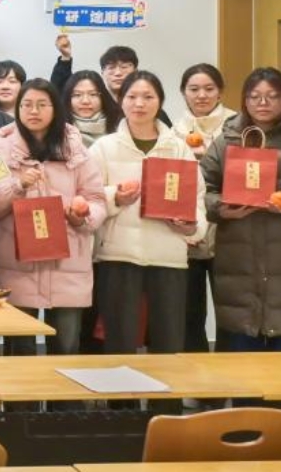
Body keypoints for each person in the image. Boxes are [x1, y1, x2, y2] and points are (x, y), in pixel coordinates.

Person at [88, 71, 205, 355]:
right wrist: (115, 196)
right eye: (132, 96)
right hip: (118, 256)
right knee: (119, 341)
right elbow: (89, 197)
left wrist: (190, 226)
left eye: (148, 97)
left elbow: (197, 200)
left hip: (168, 256)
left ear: (160, 101)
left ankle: (166, 388)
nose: (139, 103)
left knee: (168, 342)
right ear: (121, 100)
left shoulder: (178, 148)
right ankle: (120, 387)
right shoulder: (104, 147)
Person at [0, 80, 106, 356]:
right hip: (15, 266)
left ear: (56, 109)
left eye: (42, 105)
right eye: (27, 105)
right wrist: (18, 185)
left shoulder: (78, 151)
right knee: (20, 351)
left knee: (66, 349)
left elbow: (97, 200)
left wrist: (81, 215)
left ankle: (64, 389)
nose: (33, 111)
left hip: (68, 265)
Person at [201, 68, 281, 352]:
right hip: (238, 253)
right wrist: (221, 208)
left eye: (272, 96)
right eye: (255, 96)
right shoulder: (226, 140)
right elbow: (202, 189)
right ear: (245, 100)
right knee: (243, 344)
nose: (263, 103)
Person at [172, 62, 236, 353]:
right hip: (188, 231)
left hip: (229, 230)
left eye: (209, 89)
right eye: (194, 89)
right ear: (183, 93)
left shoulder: (237, 127)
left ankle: (227, 373)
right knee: (189, 312)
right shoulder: (173, 132)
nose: (201, 95)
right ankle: (193, 372)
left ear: (220, 92)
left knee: (230, 311)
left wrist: (208, 159)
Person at [63, 71, 120, 147]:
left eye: (93, 94)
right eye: (77, 95)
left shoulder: (120, 125)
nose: (85, 101)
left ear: (102, 97)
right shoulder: (59, 129)